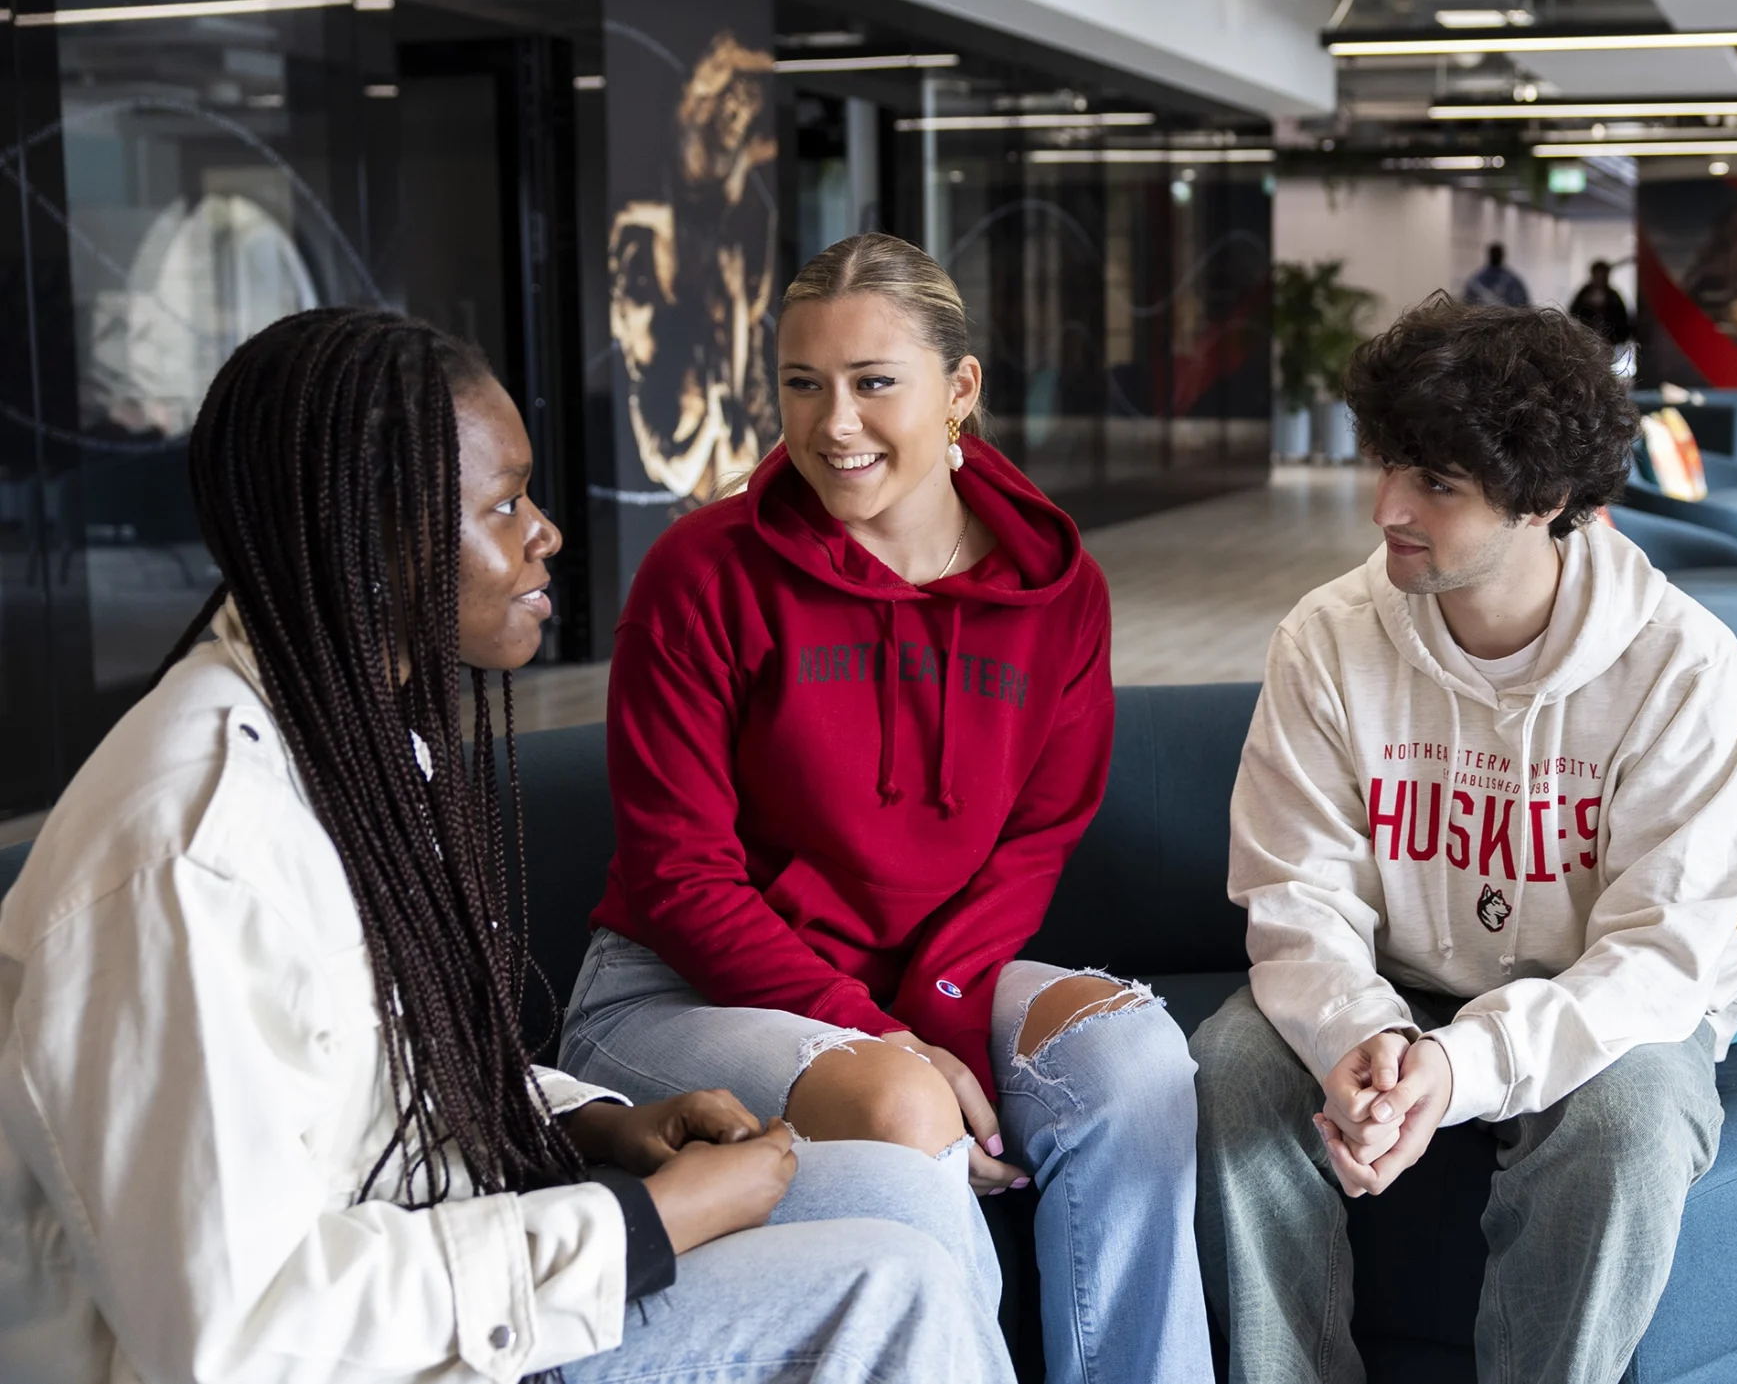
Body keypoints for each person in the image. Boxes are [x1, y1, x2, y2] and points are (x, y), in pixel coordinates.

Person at [0, 308, 1010, 1384]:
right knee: (889, 1284)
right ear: (373, 545)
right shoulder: (192, 857)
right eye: (504, 502)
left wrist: (597, 1129)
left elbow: (373, 1101)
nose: (546, 532)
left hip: (441, 1268)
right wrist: (637, 1230)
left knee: (903, 1191)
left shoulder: (353, 738)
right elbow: (237, 1335)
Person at [561, 233, 1210, 1384]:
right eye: (803, 385)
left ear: (958, 391)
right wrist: (891, 1042)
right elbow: (678, 878)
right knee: (902, 1103)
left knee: (1136, 1059)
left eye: (873, 383)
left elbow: (1033, 840)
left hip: (917, 969)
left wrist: (940, 1011)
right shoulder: (702, 573)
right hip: (673, 991)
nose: (834, 425)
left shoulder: (1058, 594)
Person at [1192, 296, 1737, 1384]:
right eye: (1390, 466)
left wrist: (1461, 1069)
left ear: (1548, 500)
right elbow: (1295, 889)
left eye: (1435, 484)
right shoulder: (1327, 637)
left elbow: (1660, 957)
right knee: (1233, 1063)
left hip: (1608, 1004)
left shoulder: (1683, 667)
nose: (1385, 507)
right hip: (1396, 981)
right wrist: (1359, 1030)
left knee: (1630, 1122)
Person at [1568, 259, 1631, 347]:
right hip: (1586, 340)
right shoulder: (1584, 293)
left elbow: (1621, 319)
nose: (1600, 278)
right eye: (1598, 275)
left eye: (1603, 275)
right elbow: (1573, 313)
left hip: (1609, 342)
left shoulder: (1613, 296)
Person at [1462, 242, 1530, 308]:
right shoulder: (1513, 281)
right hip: (1508, 318)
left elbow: (1466, 305)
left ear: (1489, 255)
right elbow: (1524, 306)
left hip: (1480, 318)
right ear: (1502, 256)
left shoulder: (1475, 281)